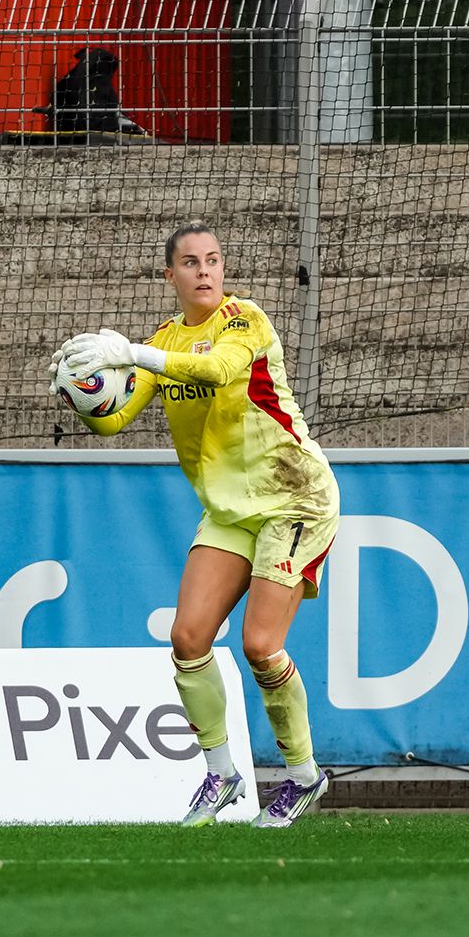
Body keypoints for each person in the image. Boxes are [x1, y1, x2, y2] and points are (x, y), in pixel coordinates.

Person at [52, 223, 339, 828]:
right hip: (230, 510)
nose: (204, 272)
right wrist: (78, 393)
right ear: (171, 276)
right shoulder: (164, 339)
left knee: (261, 646)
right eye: (190, 262)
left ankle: (304, 776)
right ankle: (222, 775)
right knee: (187, 639)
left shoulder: (245, 321)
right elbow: (115, 420)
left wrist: (131, 354)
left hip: (295, 496)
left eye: (212, 260)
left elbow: (216, 370)